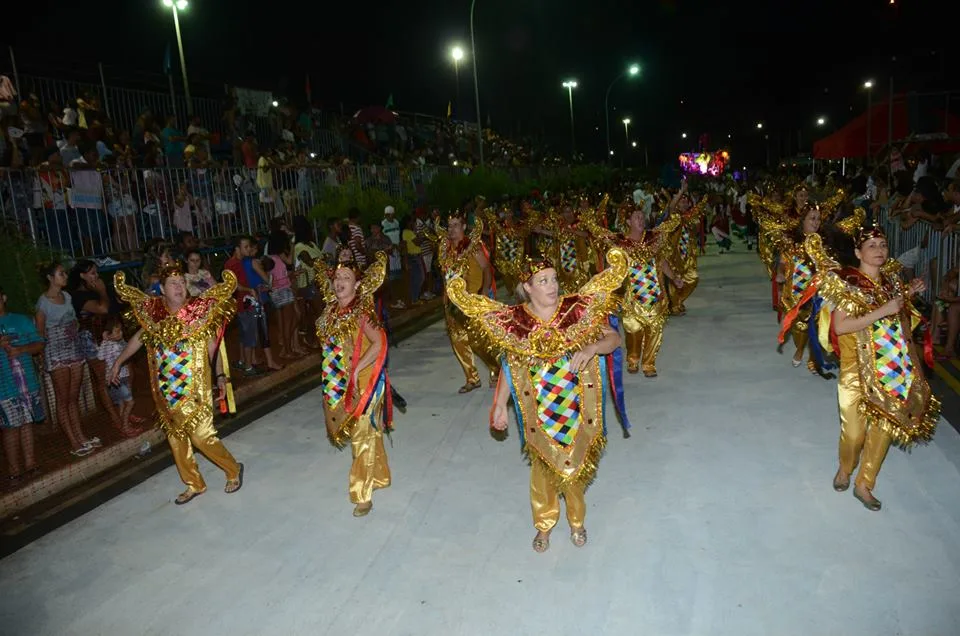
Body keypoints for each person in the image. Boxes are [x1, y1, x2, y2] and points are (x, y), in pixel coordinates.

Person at [445, 248, 628, 552]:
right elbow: (508, 367)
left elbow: (614, 339)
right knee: (541, 470)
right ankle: (544, 525)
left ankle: (577, 521)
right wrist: (500, 405)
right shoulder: (515, 323)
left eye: (554, 279)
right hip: (538, 410)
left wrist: (592, 348)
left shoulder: (577, 311)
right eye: (543, 281)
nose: (553, 286)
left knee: (574, 466)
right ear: (527, 288)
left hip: (576, 407)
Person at [804, 229, 939, 511]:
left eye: (883, 245)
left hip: (890, 368)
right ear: (857, 253)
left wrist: (908, 295)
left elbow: (896, 322)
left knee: (883, 430)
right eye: (871, 245)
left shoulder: (891, 281)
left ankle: (865, 483)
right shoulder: (846, 283)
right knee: (853, 433)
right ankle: (846, 467)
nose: (879, 250)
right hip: (855, 370)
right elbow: (840, 327)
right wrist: (885, 310)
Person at [109, 263, 244, 505]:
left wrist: (221, 377)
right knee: (176, 439)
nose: (179, 286)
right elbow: (140, 338)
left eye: (182, 282)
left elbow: (214, 346)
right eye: (173, 283)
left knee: (202, 436)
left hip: (196, 389)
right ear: (162, 288)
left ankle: (233, 469)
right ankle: (194, 483)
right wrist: (118, 362)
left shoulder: (199, 311)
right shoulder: (153, 313)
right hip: (165, 390)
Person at [314, 253, 392, 517]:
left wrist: (358, 368)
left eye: (346, 278)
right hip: (340, 381)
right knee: (369, 434)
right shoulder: (330, 312)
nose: (339, 283)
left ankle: (362, 494)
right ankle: (379, 476)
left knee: (362, 438)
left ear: (357, 284)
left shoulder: (362, 312)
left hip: (365, 382)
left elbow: (380, 343)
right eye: (337, 278)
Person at [437, 212, 498, 393]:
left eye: (456, 225)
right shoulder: (445, 249)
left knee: (479, 341)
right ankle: (472, 378)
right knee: (458, 341)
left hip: (472, 300)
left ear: (464, 227)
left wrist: (485, 291)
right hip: (452, 303)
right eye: (449, 226)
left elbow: (487, 268)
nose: (452, 229)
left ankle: (495, 369)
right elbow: (444, 274)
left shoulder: (473, 247)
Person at [0, 286, 45, 480]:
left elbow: (39, 344)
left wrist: (20, 350)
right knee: (10, 428)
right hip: (3, 386)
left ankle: (31, 464)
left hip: (26, 383)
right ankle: (14, 472)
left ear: (3, 298)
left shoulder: (21, 320)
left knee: (27, 423)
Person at [97, 316, 136, 434]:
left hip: (123, 376)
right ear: (108, 333)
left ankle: (124, 423)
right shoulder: (109, 345)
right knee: (130, 402)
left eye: (121, 330)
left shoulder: (120, 342)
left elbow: (128, 351)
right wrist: (105, 340)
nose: (121, 333)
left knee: (122, 403)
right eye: (117, 331)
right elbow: (100, 356)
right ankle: (125, 426)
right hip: (116, 379)